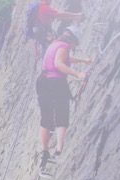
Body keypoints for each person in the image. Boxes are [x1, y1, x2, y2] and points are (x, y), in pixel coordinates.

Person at [35, 25, 91, 168]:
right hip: (55, 82)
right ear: (72, 40)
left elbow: (66, 59)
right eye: (75, 44)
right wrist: (78, 74)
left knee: (46, 118)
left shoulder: (55, 44)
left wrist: (83, 61)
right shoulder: (64, 47)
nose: (74, 46)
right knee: (62, 113)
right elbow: (59, 63)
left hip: (43, 81)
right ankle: (59, 149)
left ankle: (45, 151)